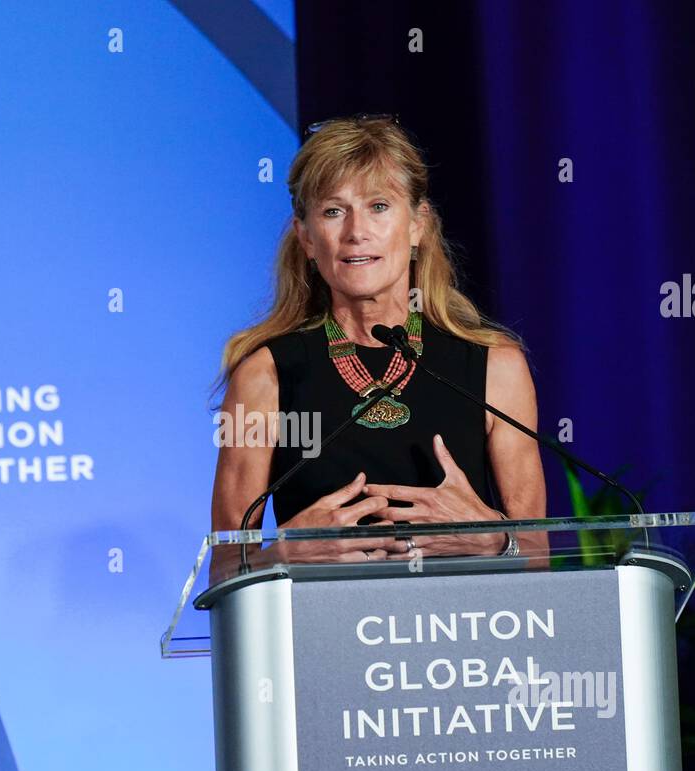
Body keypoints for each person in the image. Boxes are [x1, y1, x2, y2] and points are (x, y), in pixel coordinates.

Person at [210, 114, 545, 569]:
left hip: (465, 628)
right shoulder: (265, 375)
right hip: (321, 632)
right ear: (307, 238)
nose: (355, 232)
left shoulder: (494, 367)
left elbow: (539, 556)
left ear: (417, 225)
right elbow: (226, 568)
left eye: (379, 206)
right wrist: (287, 553)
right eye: (333, 211)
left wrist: (493, 542)